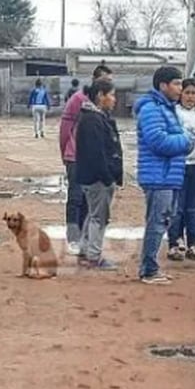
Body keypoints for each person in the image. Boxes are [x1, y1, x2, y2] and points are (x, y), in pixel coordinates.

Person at [135, 66, 193, 285]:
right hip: (158, 176)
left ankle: (151, 267)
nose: (180, 88)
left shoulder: (166, 108)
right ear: (163, 85)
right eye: (177, 83)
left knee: (162, 221)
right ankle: (149, 270)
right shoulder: (151, 109)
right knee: (156, 223)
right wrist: (186, 142)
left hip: (167, 175)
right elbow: (157, 140)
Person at [60, 65, 114, 256]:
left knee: (89, 203)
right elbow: (65, 128)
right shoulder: (78, 101)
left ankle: (84, 242)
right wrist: (65, 153)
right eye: (105, 80)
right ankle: (74, 238)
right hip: (75, 156)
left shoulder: (103, 109)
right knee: (76, 199)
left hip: (90, 160)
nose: (109, 85)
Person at [75, 79, 123, 271]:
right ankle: (94, 256)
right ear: (100, 96)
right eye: (111, 95)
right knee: (99, 217)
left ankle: (85, 250)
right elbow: (97, 154)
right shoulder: (93, 119)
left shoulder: (94, 117)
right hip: (97, 178)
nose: (114, 99)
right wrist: (107, 178)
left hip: (91, 176)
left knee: (93, 214)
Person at [167, 78, 195, 262]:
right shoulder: (174, 112)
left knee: (193, 207)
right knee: (178, 207)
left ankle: (192, 243)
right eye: (187, 93)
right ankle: (174, 243)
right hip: (180, 163)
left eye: (194, 93)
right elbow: (179, 134)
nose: (191, 97)